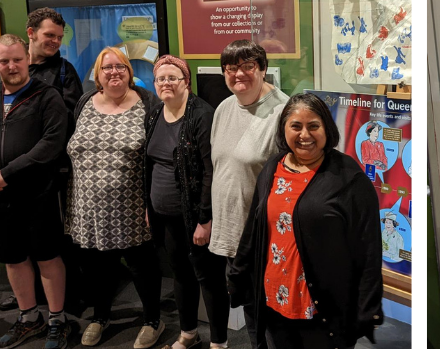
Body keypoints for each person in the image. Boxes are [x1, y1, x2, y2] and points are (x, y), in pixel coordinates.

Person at [228, 93, 382, 349]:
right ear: (284, 129)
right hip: (274, 299)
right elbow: (254, 228)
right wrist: (238, 275)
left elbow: (369, 249)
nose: (304, 135)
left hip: (324, 308)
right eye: (296, 126)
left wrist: (368, 307)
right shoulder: (273, 167)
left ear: (326, 129)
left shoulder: (348, 177)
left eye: (313, 126)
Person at [0, 34, 73, 349]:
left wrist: (7, 174)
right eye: (4, 61)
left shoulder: (47, 97)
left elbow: (50, 145)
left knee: (47, 256)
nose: (11, 66)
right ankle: (29, 319)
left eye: (16, 59)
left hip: (38, 193)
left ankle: (57, 320)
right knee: (13, 258)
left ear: (28, 59)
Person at [64, 48, 164, 348]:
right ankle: (100, 316)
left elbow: (158, 156)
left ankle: (152, 320)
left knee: (141, 267)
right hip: (87, 206)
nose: (114, 72)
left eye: (120, 66)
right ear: (98, 74)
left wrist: (152, 202)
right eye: (107, 67)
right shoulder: (84, 103)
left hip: (132, 206)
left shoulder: (148, 104)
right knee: (96, 268)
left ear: (129, 72)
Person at [142, 56, 223, 349]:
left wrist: (205, 219)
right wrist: (149, 209)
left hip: (196, 218)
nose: (166, 83)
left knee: (209, 280)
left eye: (172, 78)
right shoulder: (154, 114)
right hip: (166, 217)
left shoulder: (202, 115)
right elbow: (148, 165)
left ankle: (219, 343)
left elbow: (210, 170)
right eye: (160, 79)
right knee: (180, 276)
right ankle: (188, 334)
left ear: (185, 81)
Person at [207, 40, 290, 312]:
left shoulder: (284, 113)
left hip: (265, 239)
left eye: (247, 66)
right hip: (233, 234)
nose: (238, 73)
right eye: (231, 68)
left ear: (263, 69)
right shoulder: (224, 108)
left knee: (269, 317)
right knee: (251, 313)